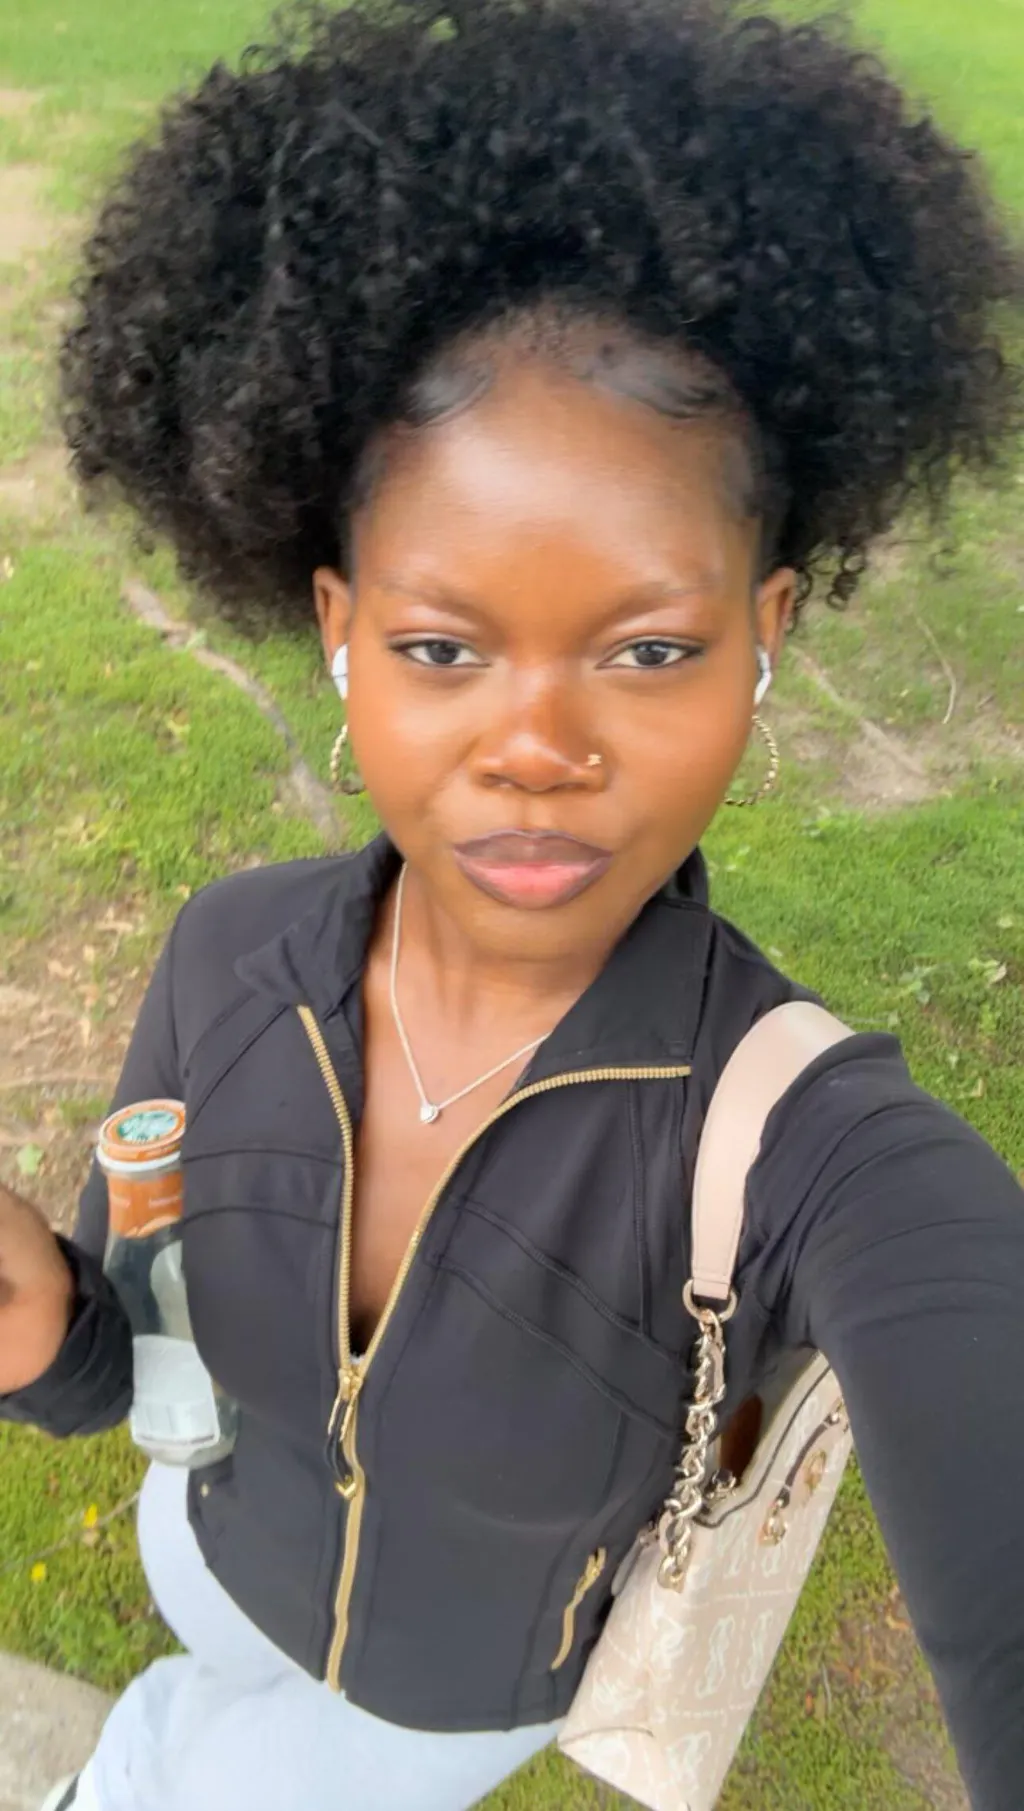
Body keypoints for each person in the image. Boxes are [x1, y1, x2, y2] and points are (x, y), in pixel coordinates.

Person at [1, 0, 1022, 1806]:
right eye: (441, 646)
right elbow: (141, 1360)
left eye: (649, 647)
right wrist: (43, 1332)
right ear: (337, 629)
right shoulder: (229, 955)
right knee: (186, 1694)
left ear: (766, 630)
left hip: (436, 1706)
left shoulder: (812, 1151)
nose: (538, 748)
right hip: (205, 1548)